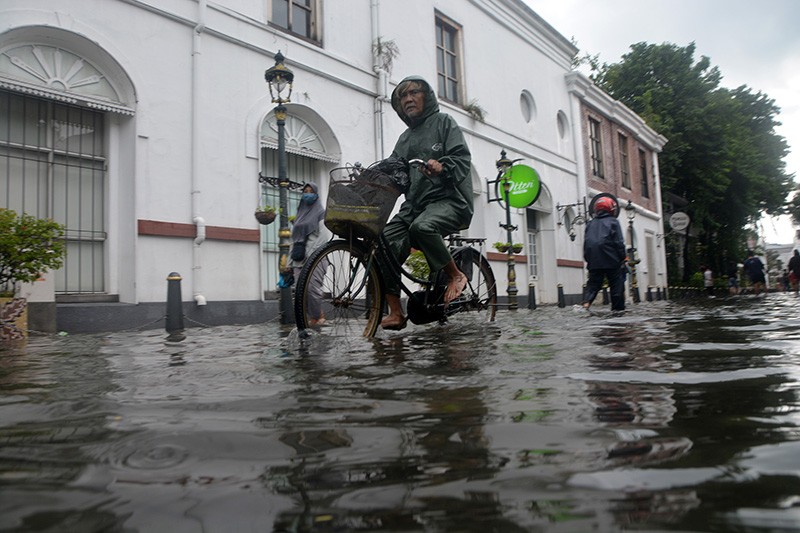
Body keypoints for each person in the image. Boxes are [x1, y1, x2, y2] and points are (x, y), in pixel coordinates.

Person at [379, 76, 473, 330]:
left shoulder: (444, 122)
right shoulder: (404, 139)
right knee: (384, 242)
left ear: (427, 97)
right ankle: (395, 312)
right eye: (403, 96)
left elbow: (462, 158)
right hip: (415, 206)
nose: (408, 99)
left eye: (414, 93)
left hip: (449, 199)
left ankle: (456, 275)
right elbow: (394, 171)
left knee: (422, 227)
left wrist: (443, 166)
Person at [289, 182, 330, 326]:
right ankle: (311, 318)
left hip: (316, 257)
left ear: (316, 194)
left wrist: (312, 254)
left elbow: (324, 236)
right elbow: (294, 240)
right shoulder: (299, 216)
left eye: (311, 191)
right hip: (298, 258)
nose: (307, 194)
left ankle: (317, 316)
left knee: (312, 288)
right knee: (300, 291)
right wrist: (289, 262)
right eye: (305, 191)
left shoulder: (321, 212)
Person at [581, 196, 627, 312]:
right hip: (611, 259)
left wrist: (589, 259)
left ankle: (586, 304)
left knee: (593, 285)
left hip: (594, 260)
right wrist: (623, 257)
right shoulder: (613, 222)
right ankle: (617, 311)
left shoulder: (590, 224)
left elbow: (587, 243)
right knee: (616, 285)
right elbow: (618, 242)